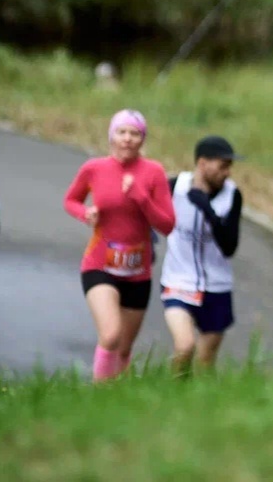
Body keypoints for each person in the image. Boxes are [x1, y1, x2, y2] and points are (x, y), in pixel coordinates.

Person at [63, 109, 175, 382]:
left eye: (134, 133)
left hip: (138, 273)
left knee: (124, 349)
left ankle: (115, 399)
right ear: (112, 136)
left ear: (142, 139)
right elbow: (71, 200)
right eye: (121, 132)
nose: (127, 139)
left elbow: (168, 224)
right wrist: (84, 213)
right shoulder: (94, 169)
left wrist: (142, 198)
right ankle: (98, 399)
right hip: (99, 265)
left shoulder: (154, 172)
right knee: (111, 335)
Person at [160, 135, 244, 377]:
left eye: (230, 166)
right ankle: (174, 396)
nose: (227, 172)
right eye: (222, 165)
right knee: (184, 346)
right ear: (202, 163)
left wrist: (207, 209)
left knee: (206, 363)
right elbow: (147, 209)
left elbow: (229, 246)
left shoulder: (232, 196)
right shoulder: (175, 187)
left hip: (217, 287)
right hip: (178, 282)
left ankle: (194, 406)